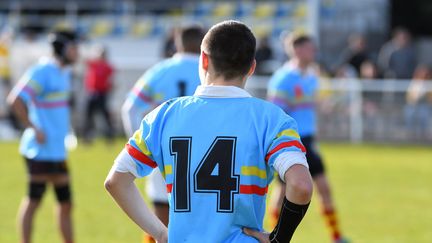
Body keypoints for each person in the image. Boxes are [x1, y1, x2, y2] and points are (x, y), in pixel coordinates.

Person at [106, 20, 313, 243]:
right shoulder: (272, 119)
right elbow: (300, 185)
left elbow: (116, 181)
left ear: (203, 59)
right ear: (252, 67)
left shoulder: (163, 116)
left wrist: (160, 233)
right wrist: (279, 239)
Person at [121, 25, 205, 230]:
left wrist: (144, 148)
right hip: (204, 153)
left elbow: (130, 108)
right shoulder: (209, 71)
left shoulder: (161, 71)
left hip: (166, 151)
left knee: (160, 223)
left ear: (177, 43)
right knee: (200, 223)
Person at [267, 34, 348, 243]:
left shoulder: (312, 77)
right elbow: (276, 113)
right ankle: (273, 234)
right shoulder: (283, 79)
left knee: (323, 188)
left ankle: (336, 236)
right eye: (310, 49)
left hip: (309, 141)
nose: (314, 53)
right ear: (298, 50)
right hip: (291, 142)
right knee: (283, 191)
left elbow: (311, 107)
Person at [7, 31, 78, 243]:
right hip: (39, 150)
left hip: (57, 150)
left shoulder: (64, 72)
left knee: (66, 203)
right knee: (34, 201)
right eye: (74, 48)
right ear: (63, 49)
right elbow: (15, 100)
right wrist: (33, 128)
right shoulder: (41, 71)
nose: (78, 52)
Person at [82, 45, 115, 143]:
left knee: (105, 116)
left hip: (102, 94)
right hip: (92, 93)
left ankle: (109, 137)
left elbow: (111, 81)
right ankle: (87, 137)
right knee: (88, 116)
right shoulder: (93, 64)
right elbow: (83, 58)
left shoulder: (108, 67)